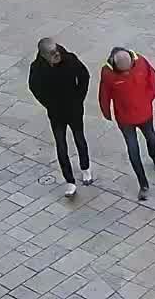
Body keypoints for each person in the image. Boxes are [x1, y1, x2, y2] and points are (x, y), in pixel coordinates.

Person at [28, 38, 92, 197]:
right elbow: (34, 88)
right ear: (43, 55)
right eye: (51, 53)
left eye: (56, 50)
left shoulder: (69, 59)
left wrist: (79, 98)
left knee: (79, 138)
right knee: (61, 145)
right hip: (56, 113)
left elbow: (84, 76)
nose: (56, 54)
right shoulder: (37, 68)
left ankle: (85, 169)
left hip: (74, 109)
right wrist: (48, 104)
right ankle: (70, 181)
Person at [98, 47, 155, 201]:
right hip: (126, 119)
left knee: (151, 137)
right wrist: (106, 112)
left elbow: (152, 77)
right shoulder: (108, 74)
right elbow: (104, 94)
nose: (126, 73)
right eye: (123, 71)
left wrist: (149, 99)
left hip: (144, 113)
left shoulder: (141, 63)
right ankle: (143, 184)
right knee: (133, 150)